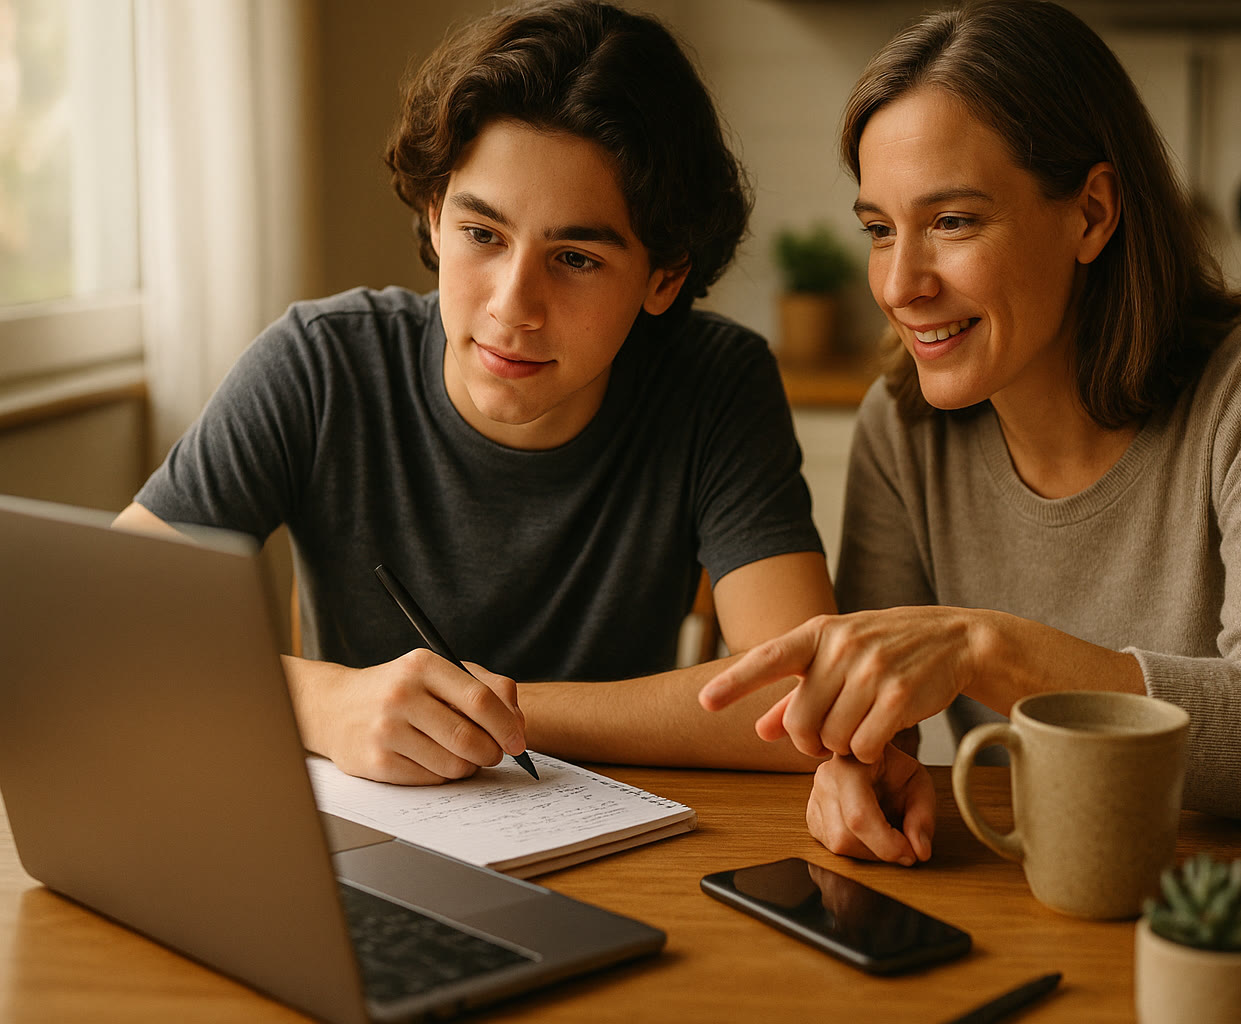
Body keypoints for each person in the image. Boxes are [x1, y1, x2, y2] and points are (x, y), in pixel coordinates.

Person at [701, 0, 1241, 865]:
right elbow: (877, 709)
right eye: (880, 231)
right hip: (1054, 868)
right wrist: (853, 762)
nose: (899, 284)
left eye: (953, 222)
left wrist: (985, 649)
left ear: (1092, 213)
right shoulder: (905, 424)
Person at [115, 0, 836, 784]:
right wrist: (323, 703)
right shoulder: (321, 366)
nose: (511, 306)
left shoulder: (714, 384)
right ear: (433, 215)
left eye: (576, 259)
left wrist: (494, 715)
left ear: (663, 277)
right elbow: (106, 622)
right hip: (364, 855)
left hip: (618, 851)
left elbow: (804, 707)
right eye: (482, 235)